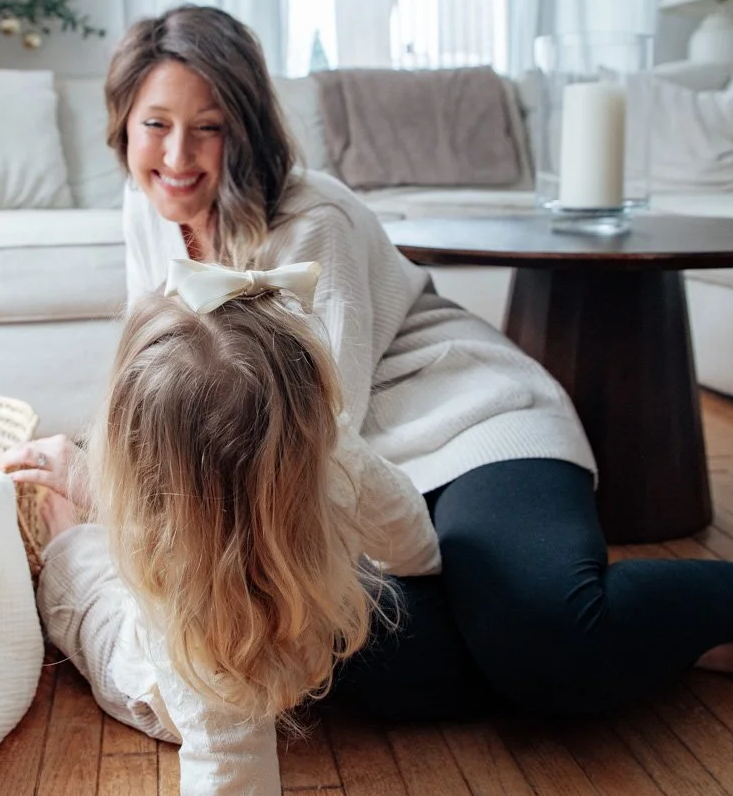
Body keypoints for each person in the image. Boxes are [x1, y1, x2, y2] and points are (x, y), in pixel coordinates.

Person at [8, 5, 733, 724]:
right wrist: (90, 459)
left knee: (541, 639)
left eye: (207, 126)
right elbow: (171, 384)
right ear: (123, 128)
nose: (177, 156)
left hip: (466, 430)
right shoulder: (151, 213)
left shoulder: (312, 221)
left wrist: (108, 490)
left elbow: (313, 431)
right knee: (297, 657)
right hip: (356, 475)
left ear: (246, 127)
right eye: (154, 126)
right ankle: (689, 642)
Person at [24, 263, 440, 794]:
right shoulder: (339, 458)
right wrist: (424, 569)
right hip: (209, 652)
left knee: (76, 565)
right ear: (308, 409)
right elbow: (408, 531)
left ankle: (65, 532)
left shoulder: (193, 623)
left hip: (150, 681)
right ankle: (75, 505)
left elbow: (228, 772)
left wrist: (72, 534)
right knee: (96, 545)